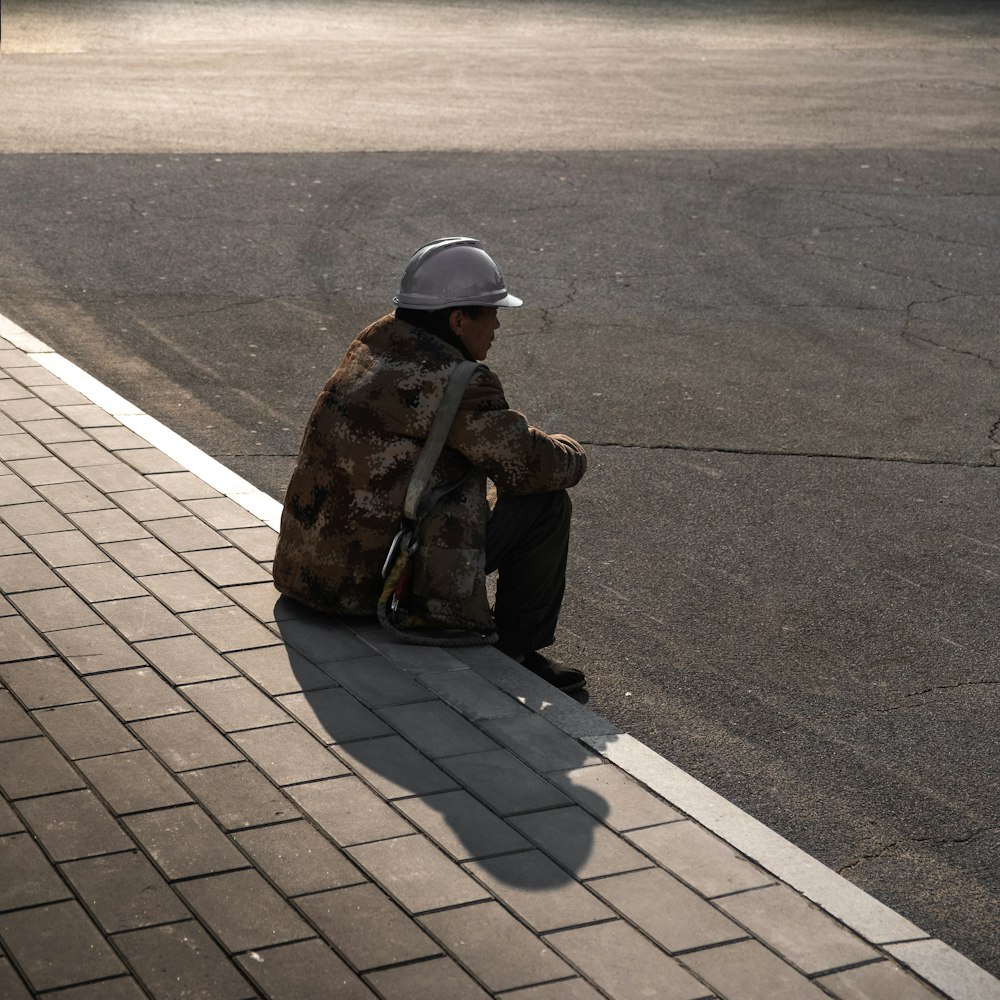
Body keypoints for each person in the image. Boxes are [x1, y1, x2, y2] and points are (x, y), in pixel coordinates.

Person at [273, 237, 588, 691]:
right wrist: (572, 449)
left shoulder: (372, 347)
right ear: (459, 319)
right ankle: (519, 649)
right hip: (373, 584)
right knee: (545, 504)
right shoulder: (457, 382)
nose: (498, 324)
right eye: (491, 311)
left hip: (310, 573)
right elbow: (532, 466)